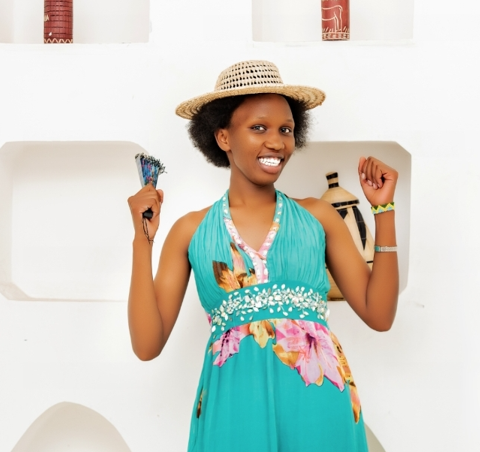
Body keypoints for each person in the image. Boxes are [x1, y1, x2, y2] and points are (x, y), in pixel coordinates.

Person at [127, 60, 399, 452]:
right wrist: (142, 241)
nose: (277, 142)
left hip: (318, 404)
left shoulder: (318, 217)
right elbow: (146, 346)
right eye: (259, 128)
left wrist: (383, 210)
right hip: (232, 411)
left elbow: (379, 314)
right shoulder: (190, 231)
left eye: (285, 129)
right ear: (223, 137)